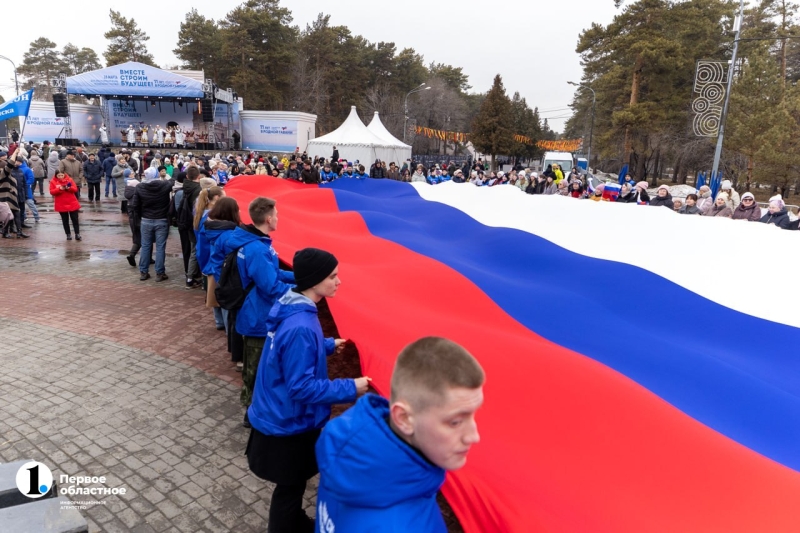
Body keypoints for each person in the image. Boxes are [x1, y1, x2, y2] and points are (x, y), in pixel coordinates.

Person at [246, 248, 371, 533]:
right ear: (314, 282)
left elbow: (288, 354)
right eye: (333, 276)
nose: (338, 281)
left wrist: (327, 344)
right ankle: (284, 527)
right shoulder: (301, 325)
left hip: (277, 412)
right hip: (289, 420)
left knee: (293, 483)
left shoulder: (294, 309)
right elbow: (301, 387)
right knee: (290, 486)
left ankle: (293, 521)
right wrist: (351, 387)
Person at [315, 337, 485, 532]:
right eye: (455, 422)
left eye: (473, 415)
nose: (473, 436)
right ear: (403, 418)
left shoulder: (348, 455)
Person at [218, 197, 296, 422]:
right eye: (277, 214)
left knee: (260, 365)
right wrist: (300, 293)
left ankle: (256, 407)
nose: (279, 218)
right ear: (269, 218)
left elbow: (273, 274)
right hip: (257, 317)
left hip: (257, 314)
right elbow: (271, 286)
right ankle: (251, 412)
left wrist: (301, 277)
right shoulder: (257, 249)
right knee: (255, 368)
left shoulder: (258, 243)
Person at [131, 167, 175, 281]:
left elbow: (135, 205)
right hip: (162, 219)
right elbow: (173, 181)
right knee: (160, 247)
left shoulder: (140, 187)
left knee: (145, 246)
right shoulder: (164, 185)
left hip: (146, 219)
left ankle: (144, 272)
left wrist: (141, 215)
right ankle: (160, 273)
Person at [50, 169, 81, 240]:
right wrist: (59, 189)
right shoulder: (53, 181)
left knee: (75, 219)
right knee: (65, 220)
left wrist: (69, 188)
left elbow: (75, 189)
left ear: (64, 174)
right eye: (59, 175)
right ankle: (68, 234)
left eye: (62, 175)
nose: (60, 177)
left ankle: (77, 233)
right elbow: (52, 192)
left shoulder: (69, 180)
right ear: (56, 175)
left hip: (71, 202)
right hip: (61, 203)